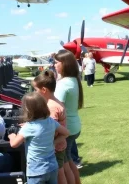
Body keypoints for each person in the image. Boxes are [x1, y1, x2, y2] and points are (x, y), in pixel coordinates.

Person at [8, 92, 69, 184]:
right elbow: (66, 133)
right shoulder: (50, 121)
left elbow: (14, 144)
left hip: (36, 171)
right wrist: (54, 142)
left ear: (27, 110)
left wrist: (12, 136)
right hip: (52, 167)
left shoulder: (28, 127)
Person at [32, 70, 69, 184]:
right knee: (61, 171)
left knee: (59, 173)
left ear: (44, 90)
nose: (34, 93)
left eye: (35, 90)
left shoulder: (51, 107)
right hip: (60, 145)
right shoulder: (55, 102)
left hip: (55, 147)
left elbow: (50, 130)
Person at [54, 50, 83, 184]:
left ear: (64, 64)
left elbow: (57, 109)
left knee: (64, 165)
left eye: (56, 62)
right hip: (74, 125)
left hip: (67, 127)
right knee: (69, 159)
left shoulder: (63, 84)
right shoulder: (74, 80)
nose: (54, 65)